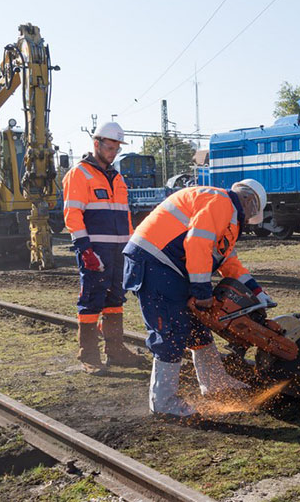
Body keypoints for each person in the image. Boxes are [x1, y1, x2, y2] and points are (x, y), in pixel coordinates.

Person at [123, 179, 272, 417]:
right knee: (171, 330)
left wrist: (257, 292)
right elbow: (197, 244)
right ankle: (163, 402)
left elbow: (229, 263)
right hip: (154, 262)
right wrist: (202, 293)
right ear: (249, 201)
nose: (249, 219)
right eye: (252, 212)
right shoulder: (222, 203)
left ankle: (215, 383)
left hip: (168, 264)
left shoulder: (227, 218)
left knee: (196, 325)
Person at [62, 122, 147, 375]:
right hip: (95, 250)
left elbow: (125, 215)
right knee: (91, 300)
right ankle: (88, 355)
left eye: (116, 149)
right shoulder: (79, 174)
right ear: (96, 144)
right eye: (110, 147)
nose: (113, 153)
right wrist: (85, 249)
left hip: (119, 251)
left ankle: (116, 350)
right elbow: (72, 214)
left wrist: (132, 245)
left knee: (115, 299)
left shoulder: (117, 177)